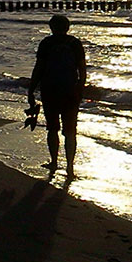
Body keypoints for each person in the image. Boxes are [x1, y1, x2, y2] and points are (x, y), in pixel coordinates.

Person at [26, 14, 87, 175]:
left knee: (52, 128)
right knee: (70, 131)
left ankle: (54, 162)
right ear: (68, 27)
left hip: (50, 90)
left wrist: (31, 90)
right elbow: (82, 68)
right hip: (70, 91)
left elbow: (39, 67)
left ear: (51, 27)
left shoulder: (46, 43)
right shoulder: (75, 43)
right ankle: (70, 167)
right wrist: (80, 87)